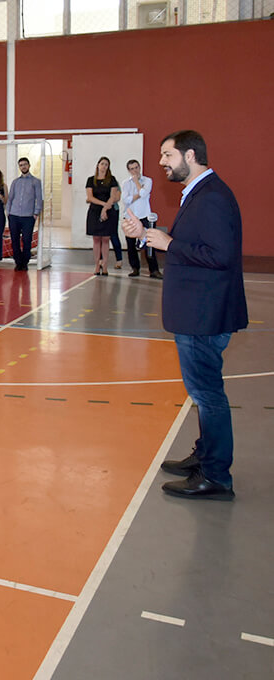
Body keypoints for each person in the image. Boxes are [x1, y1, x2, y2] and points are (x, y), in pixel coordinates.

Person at [123, 130, 246, 501]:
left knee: (208, 395)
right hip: (198, 311)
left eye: (166, 155)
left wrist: (168, 242)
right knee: (202, 393)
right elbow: (196, 247)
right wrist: (147, 234)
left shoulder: (212, 198)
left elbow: (219, 256)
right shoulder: (201, 193)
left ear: (190, 155)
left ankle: (216, 476)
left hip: (204, 314)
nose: (161, 162)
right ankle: (206, 456)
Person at [120, 158, 162, 279]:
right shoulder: (125, 183)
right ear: (129, 170)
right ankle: (135, 268)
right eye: (132, 169)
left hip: (145, 215)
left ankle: (154, 270)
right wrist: (139, 192)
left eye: (136, 167)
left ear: (140, 167)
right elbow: (126, 200)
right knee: (131, 245)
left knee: (149, 243)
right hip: (130, 217)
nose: (135, 171)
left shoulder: (148, 180)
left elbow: (144, 194)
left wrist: (138, 184)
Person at [5, 157, 43, 272]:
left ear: (29, 165)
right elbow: (10, 198)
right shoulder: (15, 182)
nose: (23, 167)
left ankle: (25, 262)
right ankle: (18, 262)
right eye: (21, 165)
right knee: (15, 240)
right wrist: (9, 212)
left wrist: (36, 213)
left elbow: (39, 199)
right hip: (14, 215)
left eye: (25, 164)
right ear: (19, 167)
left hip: (28, 217)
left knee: (27, 240)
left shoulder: (36, 182)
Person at [85, 156, 121, 276]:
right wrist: (102, 205)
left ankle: (105, 266)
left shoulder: (112, 180)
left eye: (106, 164)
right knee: (96, 239)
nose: (104, 166)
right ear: (98, 165)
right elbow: (89, 197)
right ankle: (96, 265)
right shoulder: (91, 180)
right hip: (95, 211)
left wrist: (105, 209)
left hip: (108, 211)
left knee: (106, 239)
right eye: (102, 164)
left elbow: (113, 196)